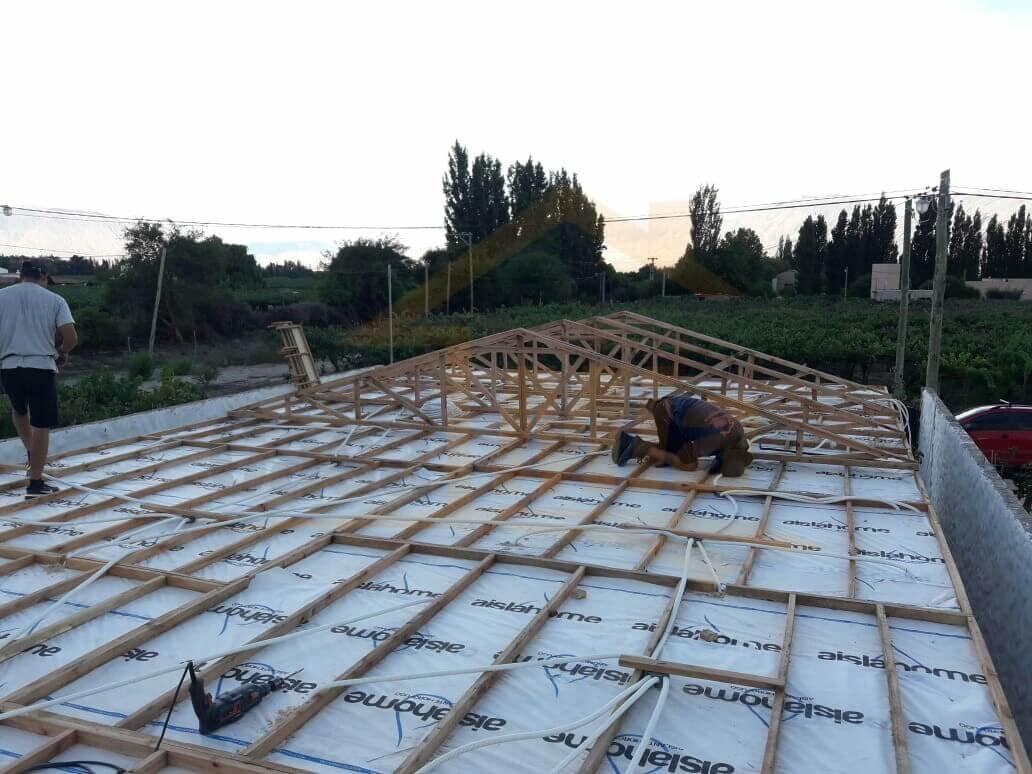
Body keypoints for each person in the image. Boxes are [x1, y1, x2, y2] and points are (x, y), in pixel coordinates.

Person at [0, 261, 77, 497]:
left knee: (19, 410)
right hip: (40, 366)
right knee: (41, 423)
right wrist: (62, 352)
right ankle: (35, 482)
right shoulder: (54, 300)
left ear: (21, 276)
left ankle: (31, 452)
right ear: (43, 277)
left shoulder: (2, 296)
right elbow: (71, 337)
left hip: (9, 366)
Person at [611, 394, 753, 477]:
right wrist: (672, 457)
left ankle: (638, 446)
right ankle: (636, 446)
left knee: (672, 451)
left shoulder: (738, 431)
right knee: (689, 465)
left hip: (674, 407)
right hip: (667, 414)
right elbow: (689, 455)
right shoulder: (714, 441)